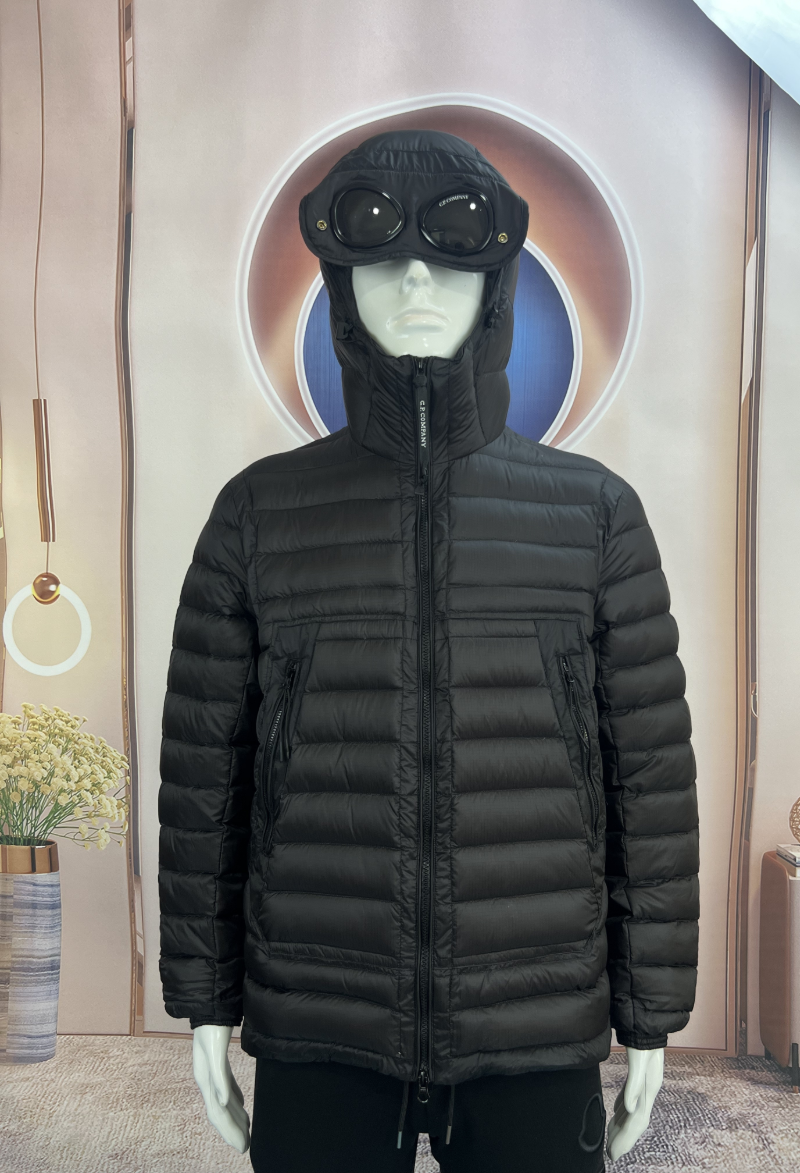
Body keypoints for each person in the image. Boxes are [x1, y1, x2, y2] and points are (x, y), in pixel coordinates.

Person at [157, 129, 700, 1172]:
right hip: (322, 1004)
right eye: (381, 254)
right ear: (338, 280)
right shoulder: (258, 515)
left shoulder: (594, 517)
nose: (413, 280)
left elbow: (649, 785)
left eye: (444, 256)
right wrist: (206, 1001)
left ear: (495, 284)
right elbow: (204, 787)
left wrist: (650, 1012)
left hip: (533, 1013)